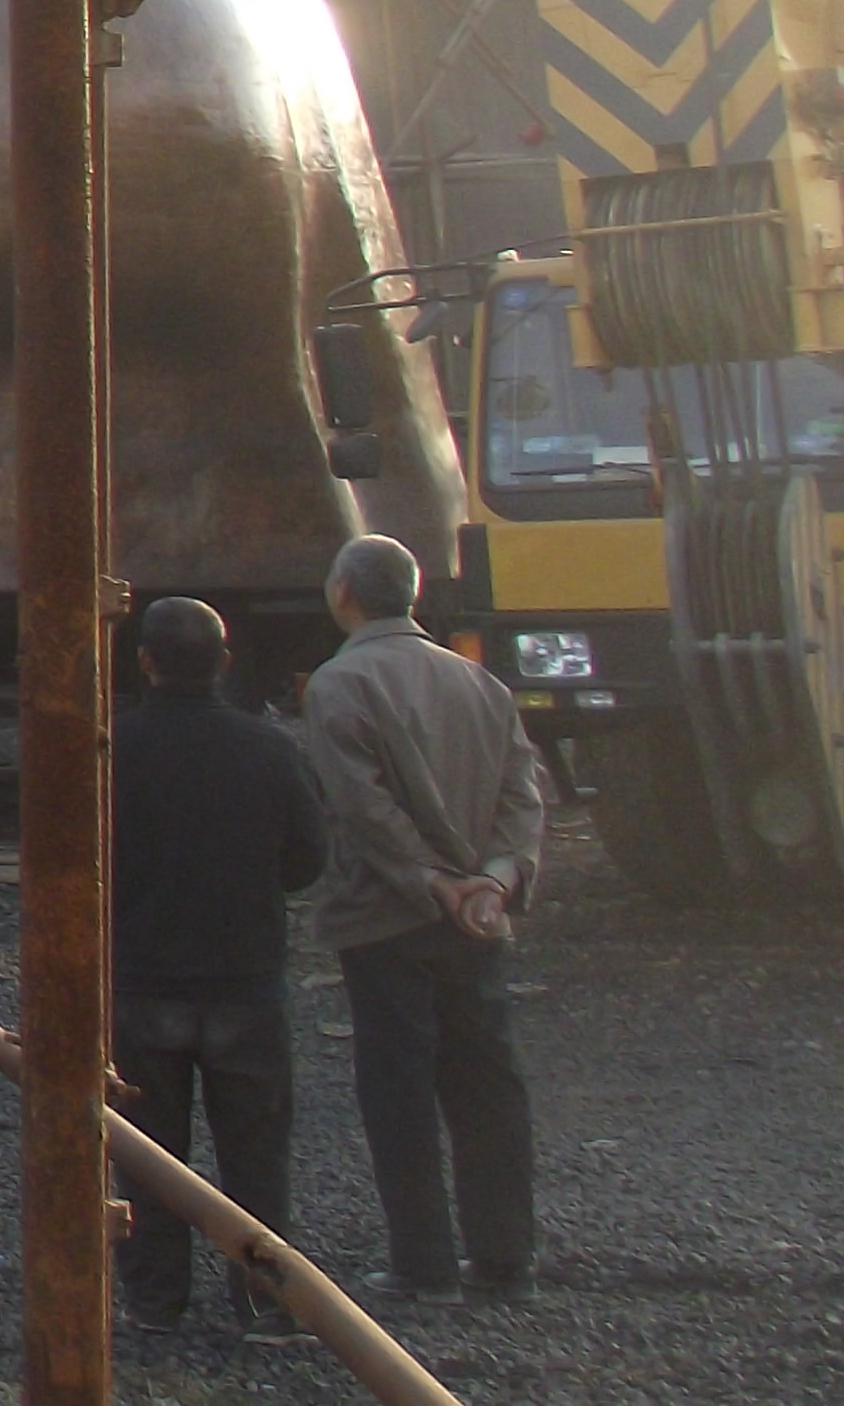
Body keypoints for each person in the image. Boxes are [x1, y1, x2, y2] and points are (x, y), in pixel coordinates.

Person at [303, 535, 546, 1305]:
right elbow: (523, 795)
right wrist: (495, 880)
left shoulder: (340, 684)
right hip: (478, 919)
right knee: (488, 1086)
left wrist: (427, 880)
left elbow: (360, 805)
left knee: (399, 1090)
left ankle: (423, 1263)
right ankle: (506, 1258)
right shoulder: (479, 683)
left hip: (385, 919)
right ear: (410, 594)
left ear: (345, 593)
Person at [112, 596, 328, 1336]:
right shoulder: (267, 749)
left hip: (144, 978)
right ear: (225, 664)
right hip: (245, 979)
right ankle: (264, 1298)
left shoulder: (112, 749)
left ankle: (152, 1301)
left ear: (145, 662)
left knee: (146, 1154)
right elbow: (309, 857)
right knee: (256, 1151)